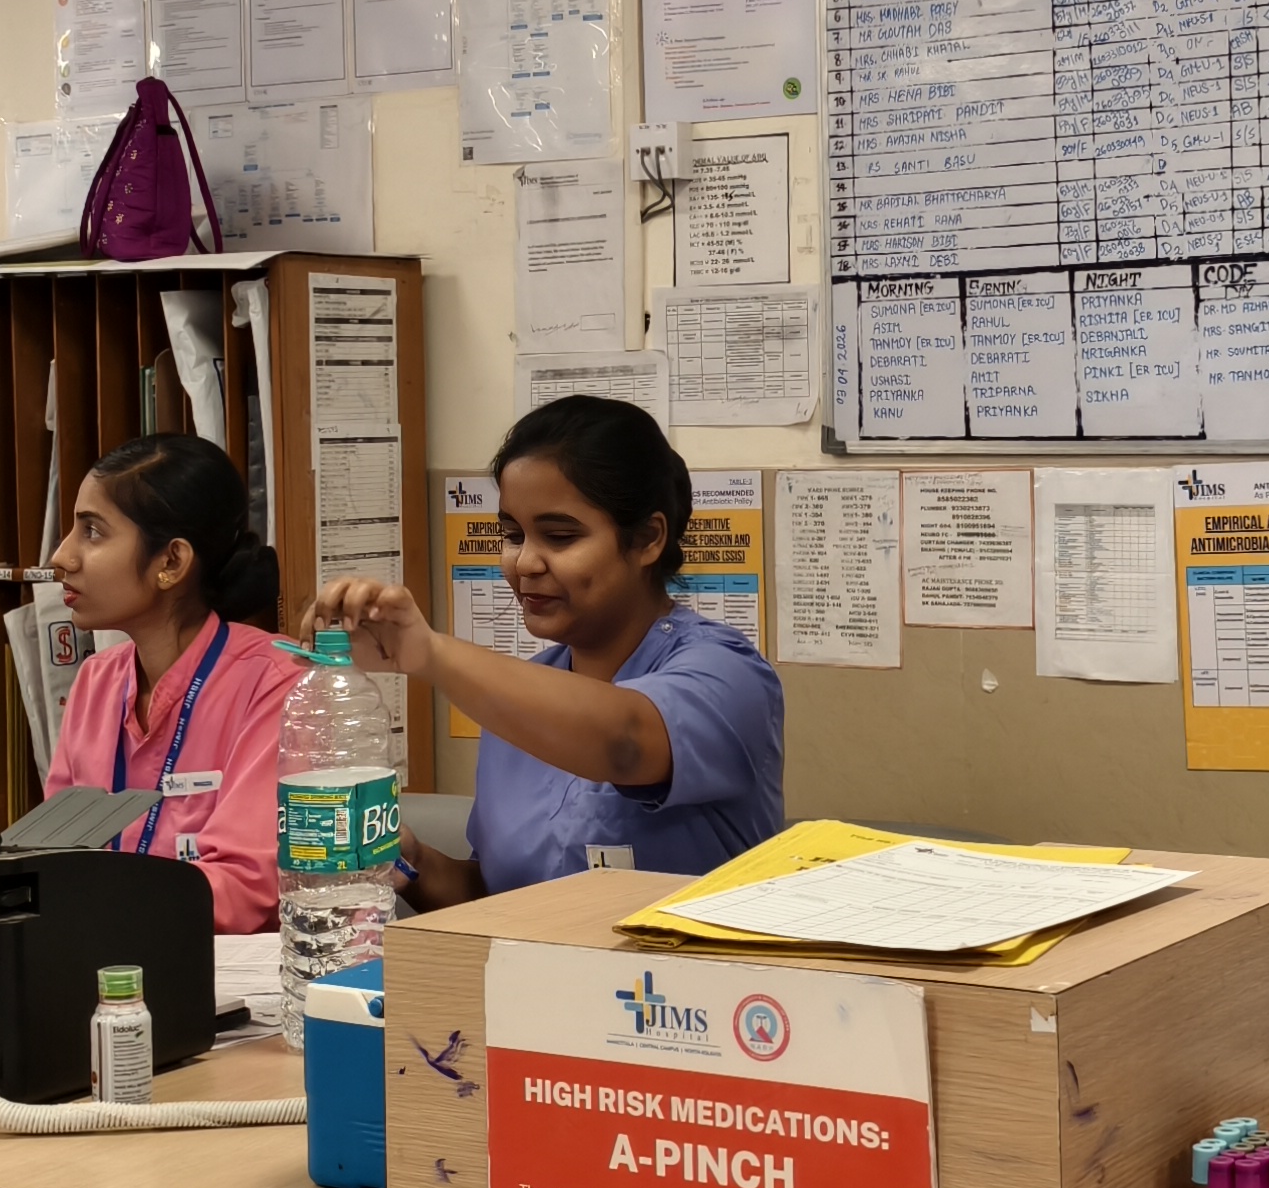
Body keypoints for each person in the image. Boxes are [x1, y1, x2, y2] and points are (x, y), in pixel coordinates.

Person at [307, 393, 782, 904]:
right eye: (513, 535)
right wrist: (411, 862)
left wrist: (429, 653)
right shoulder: (515, 700)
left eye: (559, 537)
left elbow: (625, 743)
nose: (525, 563)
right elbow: (501, 895)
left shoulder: (728, 675)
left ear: (648, 538)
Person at [43, 432, 301, 937]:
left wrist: (89, 907)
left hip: (223, 971)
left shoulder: (276, 681)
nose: (62, 556)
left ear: (171, 562)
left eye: (92, 532)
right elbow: (55, 852)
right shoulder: (96, 680)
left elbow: (243, 888)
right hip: (104, 956)